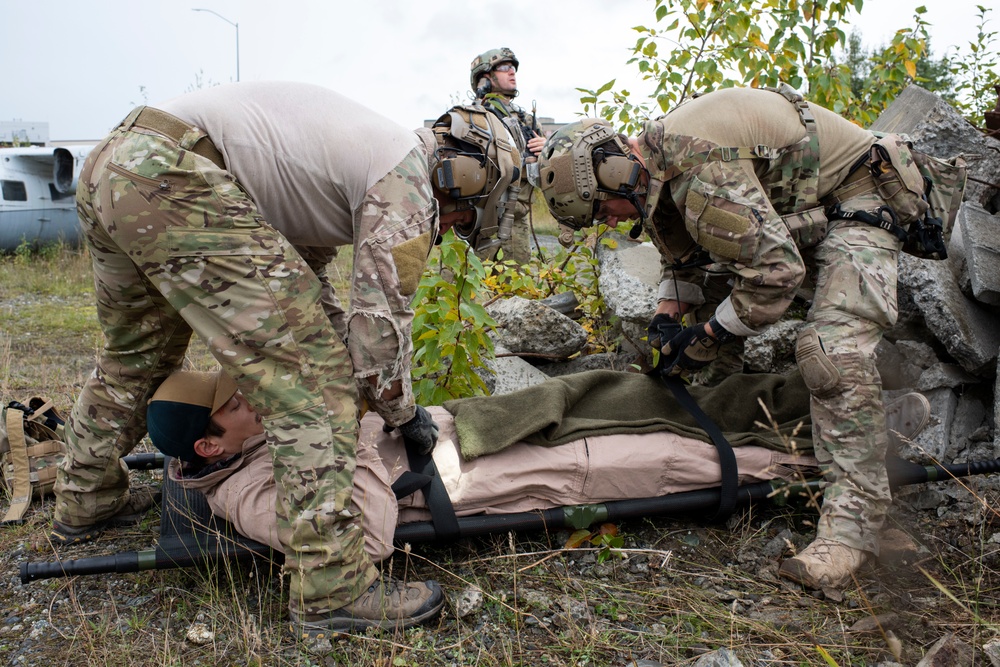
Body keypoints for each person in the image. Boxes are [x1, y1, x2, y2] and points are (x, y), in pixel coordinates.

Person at [50, 82, 519, 637]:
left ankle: (86, 500)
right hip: (174, 174)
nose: (456, 227)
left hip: (117, 165)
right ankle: (332, 588)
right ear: (462, 184)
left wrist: (357, 366)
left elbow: (311, 291)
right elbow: (380, 332)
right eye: (464, 217)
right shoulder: (408, 183)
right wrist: (398, 411)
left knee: (135, 355)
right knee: (313, 386)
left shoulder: (348, 161)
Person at [536, 84, 937, 590]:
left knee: (828, 352)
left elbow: (775, 275)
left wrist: (705, 335)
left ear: (613, 172)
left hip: (860, 194)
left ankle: (853, 530)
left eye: (602, 210)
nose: (610, 222)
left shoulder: (697, 170)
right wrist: (668, 319)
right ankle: (728, 441)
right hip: (802, 209)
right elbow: (686, 261)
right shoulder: (653, 173)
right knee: (701, 334)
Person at [145, 368, 929, 575]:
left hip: (458, 431)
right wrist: (350, 427)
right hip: (470, 480)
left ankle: (816, 400)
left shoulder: (243, 445)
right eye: (233, 402)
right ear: (208, 447)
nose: (248, 396)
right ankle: (844, 454)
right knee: (669, 455)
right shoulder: (247, 495)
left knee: (633, 391)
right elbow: (366, 541)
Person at [469, 47, 550, 262]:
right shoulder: (474, 117)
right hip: (480, 222)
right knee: (463, 288)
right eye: (504, 68)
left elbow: (548, 175)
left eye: (513, 67)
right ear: (484, 79)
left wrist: (548, 150)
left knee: (518, 289)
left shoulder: (527, 121)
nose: (512, 72)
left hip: (518, 222)